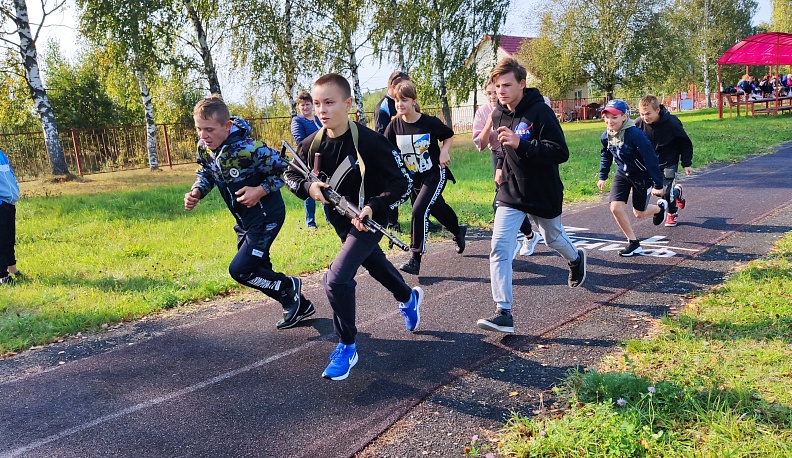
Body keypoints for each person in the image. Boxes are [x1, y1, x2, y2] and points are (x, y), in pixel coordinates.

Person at [285, 74, 422, 381]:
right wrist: (309, 188)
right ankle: (408, 298)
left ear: (347, 104)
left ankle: (347, 346)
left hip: (369, 219)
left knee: (335, 280)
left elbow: (402, 182)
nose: (322, 110)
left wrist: (374, 205)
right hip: (340, 221)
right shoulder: (311, 143)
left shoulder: (371, 141)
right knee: (374, 263)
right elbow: (290, 175)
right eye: (317, 103)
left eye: (329, 102)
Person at [476, 58, 587, 335]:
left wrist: (522, 144)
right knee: (500, 247)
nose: (500, 91)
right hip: (511, 190)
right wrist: (500, 167)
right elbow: (503, 148)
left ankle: (576, 259)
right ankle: (503, 312)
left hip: (542, 190)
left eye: (507, 85)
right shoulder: (498, 114)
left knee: (553, 238)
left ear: (522, 84)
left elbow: (560, 152)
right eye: (497, 86)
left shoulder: (540, 112)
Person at [184, 95, 314, 330]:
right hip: (244, 220)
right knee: (259, 268)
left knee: (241, 270)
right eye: (199, 129)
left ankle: (288, 287)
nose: (203, 136)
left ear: (227, 126)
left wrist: (260, 190)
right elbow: (206, 173)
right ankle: (299, 305)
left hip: (267, 216)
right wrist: (197, 191)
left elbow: (288, 170)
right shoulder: (205, 148)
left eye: (209, 130)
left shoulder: (249, 149)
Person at [383, 80, 466, 275]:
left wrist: (444, 151)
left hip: (434, 174)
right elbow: (385, 147)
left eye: (404, 100)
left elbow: (449, 135)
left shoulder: (428, 122)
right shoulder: (395, 125)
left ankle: (415, 258)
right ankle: (457, 230)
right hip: (413, 178)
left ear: (414, 101)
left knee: (418, 210)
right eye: (397, 100)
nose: (400, 104)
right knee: (437, 208)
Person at [472, 81, 539, 260]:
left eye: (496, 92)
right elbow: (480, 144)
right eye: (489, 93)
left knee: (512, 200)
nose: (494, 96)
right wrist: (489, 122)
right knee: (503, 201)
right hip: (498, 155)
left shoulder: (513, 106)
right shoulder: (483, 112)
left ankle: (527, 236)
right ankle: (527, 236)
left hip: (519, 153)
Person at [597, 99, 667, 257]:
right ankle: (633, 243)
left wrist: (658, 184)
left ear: (624, 117)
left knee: (639, 213)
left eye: (614, 117)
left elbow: (651, 159)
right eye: (607, 117)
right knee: (615, 208)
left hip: (641, 175)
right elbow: (606, 155)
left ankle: (660, 208)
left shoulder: (635, 135)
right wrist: (603, 176)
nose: (610, 121)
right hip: (622, 174)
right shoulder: (606, 136)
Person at [634, 95, 693, 227]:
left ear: (657, 110)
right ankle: (677, 192)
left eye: (648, 113)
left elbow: (684, 142)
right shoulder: (638, 124)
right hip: (650, 163)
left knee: (665, 192)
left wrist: (686, 163)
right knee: (657, 191)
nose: (645, 117)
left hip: (669, 161)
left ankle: (672, 213)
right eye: (642, 114)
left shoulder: (672, 123)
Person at [375, 70, 410, 234]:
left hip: (408, 152)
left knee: (416, 185)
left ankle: (422, 217)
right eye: (404, 85)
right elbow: (381, 134)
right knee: (392, 186)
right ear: (394, 85)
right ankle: (391, 222)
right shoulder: (383, 106)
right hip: (390, 155)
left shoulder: (406, 101)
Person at [290, 91, 327, 230]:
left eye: (307, 104)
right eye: (302, 105)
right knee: (310, 188)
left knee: (326, 186)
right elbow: (299, 140)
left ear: (312, 104)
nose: (305, 107)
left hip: (323, 157)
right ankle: (311, 222)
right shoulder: (297, 121)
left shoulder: (318, 119)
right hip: (307, 159)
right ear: (299, 107)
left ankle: (329, 219)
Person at [0, 148, 20, 285]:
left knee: (9, 238)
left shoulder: (1, 154)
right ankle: (2, 275)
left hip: (9, 203)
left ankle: (12, 269)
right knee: (1, 240)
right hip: (1, 204)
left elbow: (9, 174)